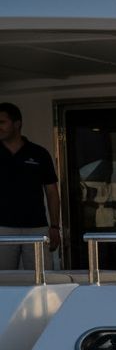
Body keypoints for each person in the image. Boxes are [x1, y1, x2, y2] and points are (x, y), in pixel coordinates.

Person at [0, 102, 60, 271]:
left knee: (42, 278)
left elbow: (51, 191)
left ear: (17, 124)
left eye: (2, 122)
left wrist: (55, 226)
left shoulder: (39, 153)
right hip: (2, 228)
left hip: (37, 227)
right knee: (3, 282)